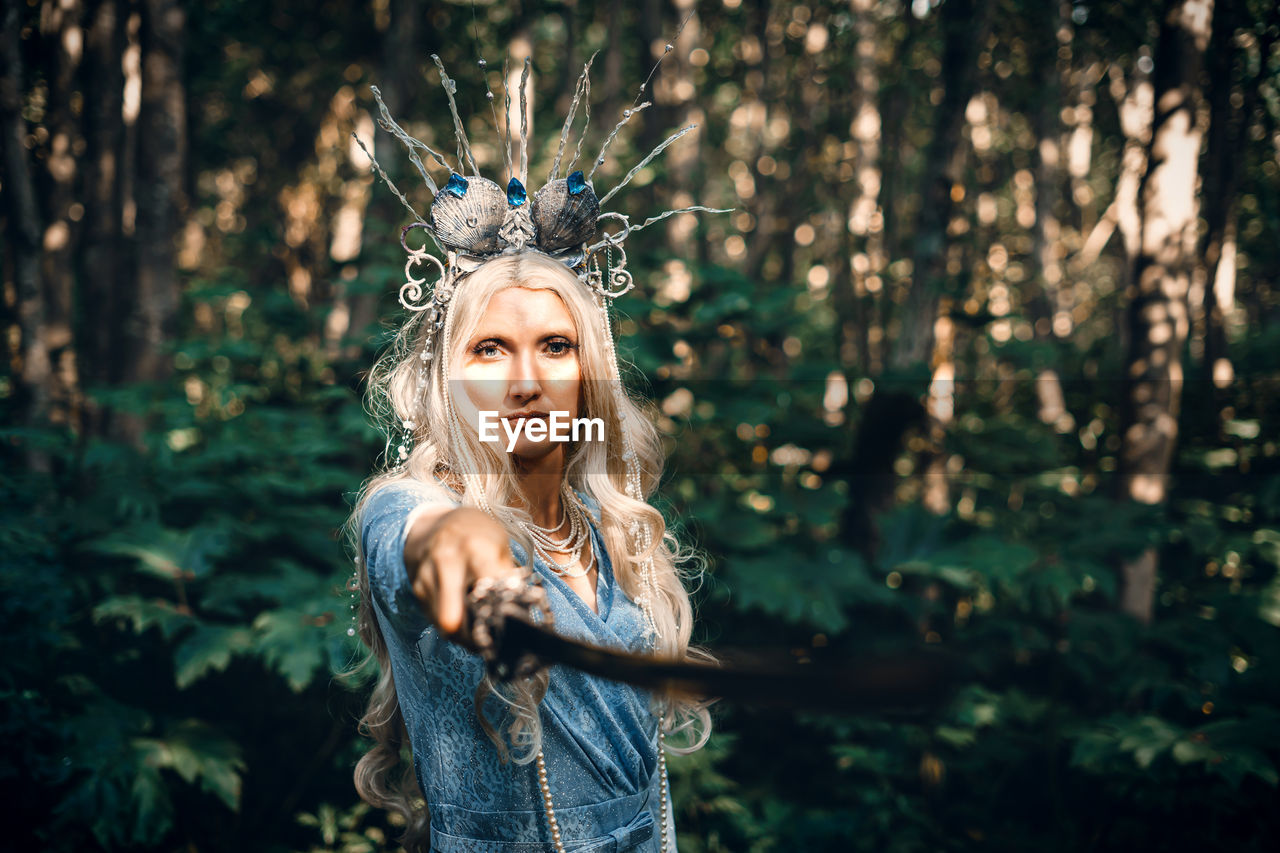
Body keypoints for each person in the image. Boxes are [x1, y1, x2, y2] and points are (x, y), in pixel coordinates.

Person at [344, 249, 710, 853]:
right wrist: (464, 547)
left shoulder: (610, 527)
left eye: (557, 347)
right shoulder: (406, 504)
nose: (526, 384)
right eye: (489, 349)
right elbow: (421, 536)